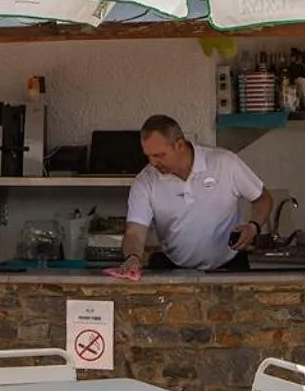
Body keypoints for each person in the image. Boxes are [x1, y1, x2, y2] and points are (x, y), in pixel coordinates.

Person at [105, 115, 275, 281]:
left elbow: (263, 199)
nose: (153, 162)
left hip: (229, 266)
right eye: (148, 155)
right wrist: (132, 257)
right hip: (173, 268)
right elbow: (135, 232)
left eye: (159, 155)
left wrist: (253, 227)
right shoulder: (145, 181)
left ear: (179, 145)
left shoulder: (224, 163)